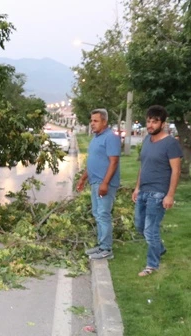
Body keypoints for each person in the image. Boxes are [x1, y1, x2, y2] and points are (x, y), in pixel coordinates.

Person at [132, 105, 183, 277]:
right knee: (139, 225)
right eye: (148, 121)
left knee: (150, 230)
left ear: (162, 123)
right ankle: (159, 249)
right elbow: (143, 165)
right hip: (144, 190)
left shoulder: (171, 143)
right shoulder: (147, 140)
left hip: (159, 192)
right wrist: (137, 187)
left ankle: (152, 265)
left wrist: (170, 195)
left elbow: (176, 171)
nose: (150, 125)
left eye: (155, 121)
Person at [76, 108, 121, 260]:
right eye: (91, 120)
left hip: (104, 184)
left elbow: (113, 162)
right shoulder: (96, 138)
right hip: (95, 182)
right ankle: (101, 245)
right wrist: (83, 179)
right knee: (97, 214)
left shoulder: (111, 138)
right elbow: (93, 162)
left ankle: (106, 249)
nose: (92, 124)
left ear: (104, 122)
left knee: (103, 215)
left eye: (95, 121)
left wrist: (105, 183)